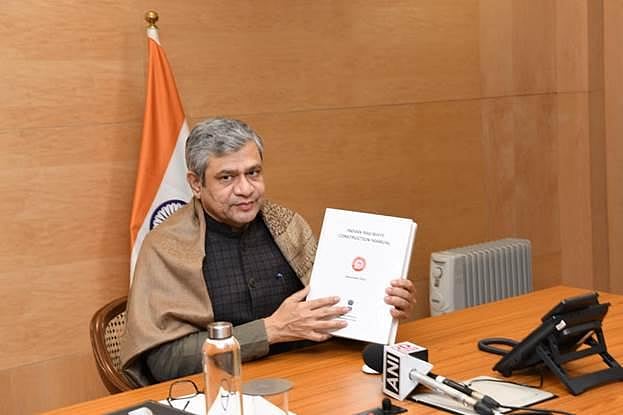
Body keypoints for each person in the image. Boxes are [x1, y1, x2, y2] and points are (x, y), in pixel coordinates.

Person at [120, 118, 416, 385]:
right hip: (220, 392)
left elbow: (331, 316)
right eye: (227, 178)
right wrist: (270, 331)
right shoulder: (166, 247)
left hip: (311, 381)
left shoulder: (288, 225)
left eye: (253, 173)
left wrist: (382, 307)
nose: (246, 189)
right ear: (196, 183)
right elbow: (166, 362)